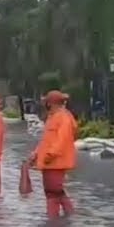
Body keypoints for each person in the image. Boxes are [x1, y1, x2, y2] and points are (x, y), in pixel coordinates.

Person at [29, 90, 78, 218]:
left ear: (50, 103)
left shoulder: (63, 117)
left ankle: (57, 219)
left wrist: (49, 155)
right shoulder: (53, 117)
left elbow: (61, 140)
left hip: (56, 162)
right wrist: (36, 154)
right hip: (50, 161)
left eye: (46, 102)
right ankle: (60, 218)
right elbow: (46, 140)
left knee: (53, 191)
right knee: (54, 192)